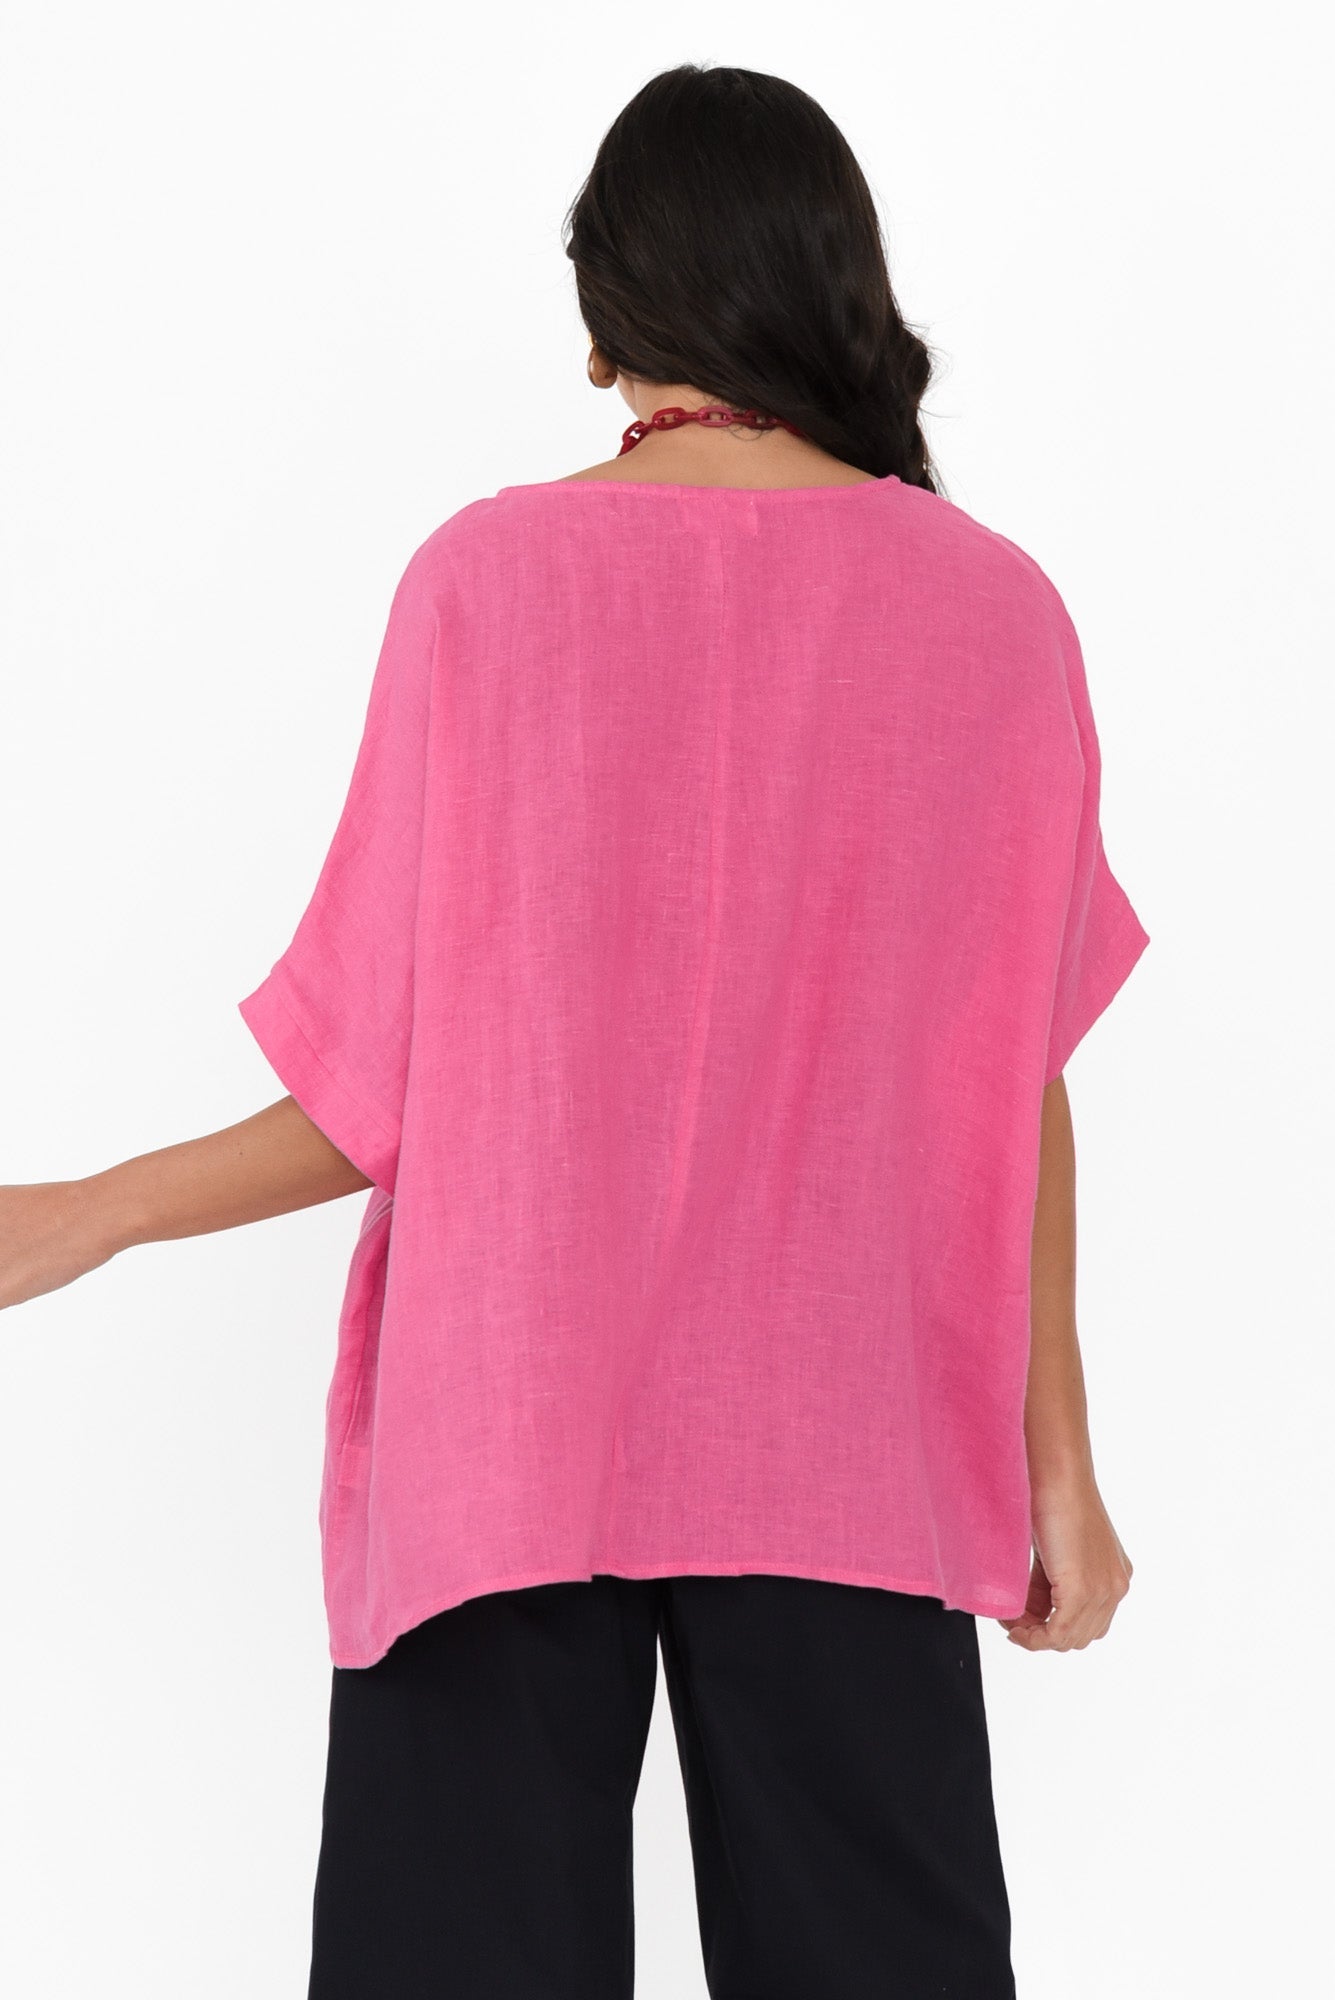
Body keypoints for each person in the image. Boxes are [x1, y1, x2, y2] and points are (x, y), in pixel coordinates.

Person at [0, 61, 1149, 2000]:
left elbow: (383, 1091)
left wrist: (83, 1212)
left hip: (507, 1445)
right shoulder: (995, 614)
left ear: (609, 311)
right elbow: (1011, 1079)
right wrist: (1062, 1463)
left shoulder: (487, 582)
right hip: (855, 1451)